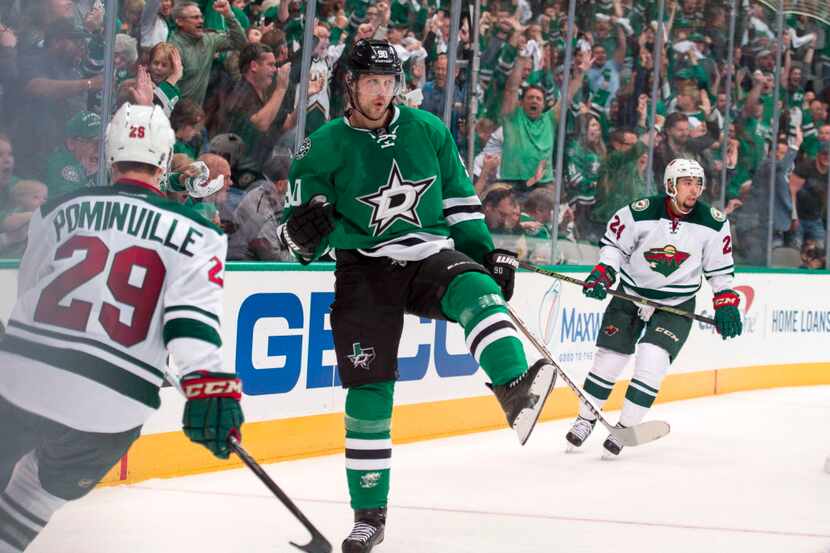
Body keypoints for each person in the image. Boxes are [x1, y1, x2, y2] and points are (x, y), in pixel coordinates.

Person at [279, 39, 556, 553]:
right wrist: (303, 232)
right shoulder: (321, 147)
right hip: (363, 271)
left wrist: (484, 253)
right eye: (372, 83)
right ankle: (369, 516)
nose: (383, 93)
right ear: (350, 85)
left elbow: (460, 201)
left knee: (477, 288)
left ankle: (514, 386)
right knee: (369, 391)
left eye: (390, 83)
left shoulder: (428, 130)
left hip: (427, 255)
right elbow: (296, 240)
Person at [0, 103, 243, 552]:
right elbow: (191, 327)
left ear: (111, 155)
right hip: (111, 406)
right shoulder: (199, 232)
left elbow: (28, 294)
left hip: (22, 379)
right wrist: (212, 391)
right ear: (167, 160)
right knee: (36, 492)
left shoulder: (55, 210)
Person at [565, 158, 743, 458]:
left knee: (652, 360)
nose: (695, 189)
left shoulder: (713, 222)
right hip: (631, 295)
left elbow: (720, 271)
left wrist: (726, 302)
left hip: (675, 305)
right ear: (670, 185)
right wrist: (604, 271)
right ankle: (585, 419)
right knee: (609, 360)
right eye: (687, 182)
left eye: (698, 183)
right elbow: (613, 247)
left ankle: (624, 428)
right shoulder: (640, 213)